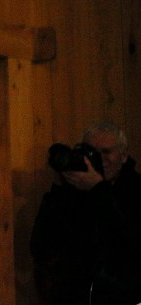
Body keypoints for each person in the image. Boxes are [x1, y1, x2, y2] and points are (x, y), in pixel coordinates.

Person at [30, 121, 141, 305]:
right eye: (91, 152)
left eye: (106, 152)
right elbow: (41, 248)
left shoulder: (136, 189)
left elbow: (132, 236)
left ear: (123, 156)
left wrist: (98, 189)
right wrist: (59, 188)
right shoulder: (72, 191)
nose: (98, 158)